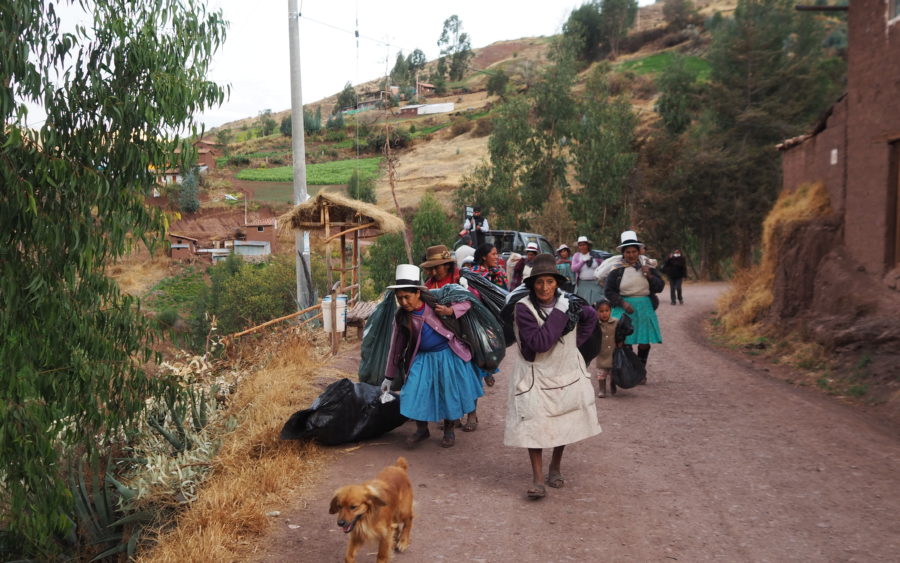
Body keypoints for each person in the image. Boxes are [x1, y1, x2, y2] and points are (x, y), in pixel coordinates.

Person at [504, 254, 601, 499]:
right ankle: (538, 479)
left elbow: (590, 317)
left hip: (564, 372)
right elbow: (540, 343)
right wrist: (559, 311)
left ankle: (555, 466)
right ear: (532, 284)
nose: (544, 287)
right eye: (539, 282)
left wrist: (573, 345)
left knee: (563, 419)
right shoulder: (523, 309)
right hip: (535, 374)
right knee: (533, 422)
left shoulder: (572, 303)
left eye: (549, 281)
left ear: (557, 283)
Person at [382, 265, 484, 448]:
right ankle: (422, 430)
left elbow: (469, 301)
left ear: (418, 293)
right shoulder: (401, 318)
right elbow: (395, 347)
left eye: (407, 297)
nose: (403, 302)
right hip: (421, 358)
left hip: (448, 354)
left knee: (449, 393)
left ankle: (449, 430)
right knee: (414, 392)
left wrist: (451, 311)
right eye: (399, 298)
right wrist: (388, 376)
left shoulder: (437, 299)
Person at [604, 231, 664, 380]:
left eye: (634, 252)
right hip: (623, 308)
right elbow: (609, 291)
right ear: (623, 253)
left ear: (639, 252)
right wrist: (622, 303)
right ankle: (632, 371)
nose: (631, 255)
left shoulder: (648, 267)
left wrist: (649, 275)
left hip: (644, 307)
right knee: (625, 341)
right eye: (628, 252)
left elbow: (660, 287)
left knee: (644, 341)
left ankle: (641, 370)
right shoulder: (616, 269)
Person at [592, 298, 632, 398]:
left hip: (614, 352)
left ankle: (613, 383)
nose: (604, 313)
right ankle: (602, 389)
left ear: (610, 311)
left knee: (614, 371)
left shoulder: (616, 322)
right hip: (601, 353)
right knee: (601, 373)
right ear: (596, 312)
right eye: (601, 311)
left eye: (607, 311)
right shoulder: (595, 325)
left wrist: (621, 341)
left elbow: (621, 334)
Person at [571, 236, 604, 305]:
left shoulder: (595, 255)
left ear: (588, 245)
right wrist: (582, 262)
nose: (582, 247)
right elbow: (573, 268)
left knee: (597, 304)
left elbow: (603, 266)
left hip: (595, 284)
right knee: (584, 304)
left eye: (584, 245)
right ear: (578, 247)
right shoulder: (577, 256)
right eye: (580, 245)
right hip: (583, 284)